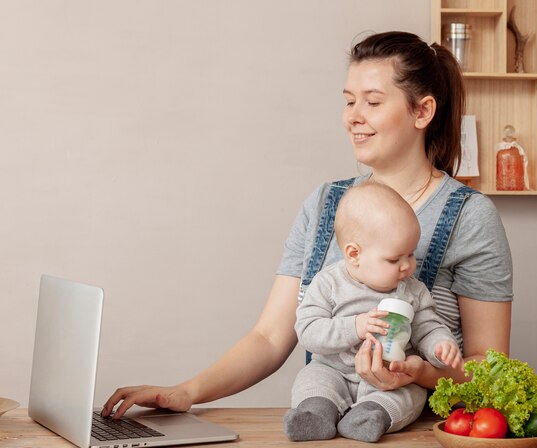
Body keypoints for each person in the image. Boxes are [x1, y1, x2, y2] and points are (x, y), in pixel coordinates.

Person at [102, 31, 512, 421]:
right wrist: (186, 392)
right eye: (349, 101)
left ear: (422, 111)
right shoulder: (324, 205)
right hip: (325, 436)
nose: (354, 117)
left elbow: (490, 370)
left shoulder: (469, 216)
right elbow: (269, 338)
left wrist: (419, 373)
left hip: (421, 441)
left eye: (372, 102)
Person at [285, 180, 463, 443]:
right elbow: (308, 331)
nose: (407, 267)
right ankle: (316, 414)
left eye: (411, 254)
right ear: (354, 253)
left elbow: (428, 327)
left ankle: (371, 415)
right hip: (335, 370)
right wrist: (355, 326)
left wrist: (441, 345)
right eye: (394, 259)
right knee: (312, 378)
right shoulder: (328, 283)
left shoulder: (413, 291)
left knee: (412, 395)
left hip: (393, 377)